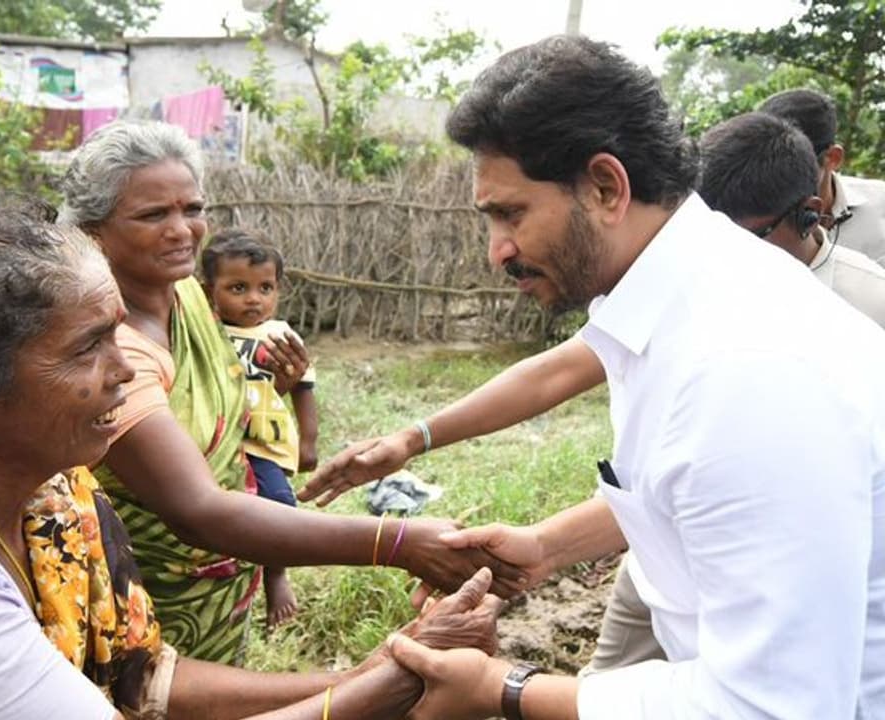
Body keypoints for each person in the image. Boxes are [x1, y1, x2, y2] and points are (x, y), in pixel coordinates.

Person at [0, 204, 503, 720]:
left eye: (120, 333)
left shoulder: (56, 499)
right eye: (88, 347)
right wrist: (389, 686)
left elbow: (143, 680)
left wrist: (367, 670)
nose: (125, 368)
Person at [320, 35, 885, 718]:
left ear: (605, 188)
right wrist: (543, 548)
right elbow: (685, 490)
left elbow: (772, 707)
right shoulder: (674, 302)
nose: (497, 250)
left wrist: (502, 688)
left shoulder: (744, 371)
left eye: (511, 213)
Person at [60, 120, 520, 664]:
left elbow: (215, 409)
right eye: (153, 215)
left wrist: (274, 387)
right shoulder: (114, 353)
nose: (182, 230)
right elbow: (197, 511)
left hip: (222, 590)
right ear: (93, 231)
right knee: (153, 695)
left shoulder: (188, 297)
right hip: (148, 599)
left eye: (193, 208)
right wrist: (396, 542)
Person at [199, 228, 317, 628]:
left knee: (279, 504)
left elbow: (303, 388)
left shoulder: (280, 335)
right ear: (209, 291)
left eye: (265, 288)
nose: (254, 298)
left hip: (262, 443)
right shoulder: (207, 333)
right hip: (215, 441)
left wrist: (309, 442)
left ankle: (276, 575)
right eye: (238, 288)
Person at [700, 112, 885, 327]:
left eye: (750, 237)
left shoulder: (871, 304)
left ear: (809, 215)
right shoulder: (699, 287)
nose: (730, 252)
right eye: (716, 234)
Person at [759, 88, 885, 266]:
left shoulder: (881, 205)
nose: (780, 182)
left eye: (793, 170)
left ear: (833, 158)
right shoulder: (751, 220)